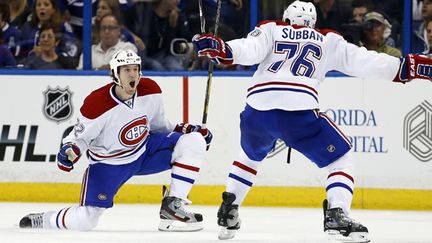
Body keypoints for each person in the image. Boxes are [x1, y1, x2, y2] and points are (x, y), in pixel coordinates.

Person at [192, 0, 432, 242]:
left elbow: (248, 48)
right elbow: (367, 61)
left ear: (287, 18)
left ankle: (229, 211)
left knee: (249, 156)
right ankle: (337, 215)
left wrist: (221, 48)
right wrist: (410, 67)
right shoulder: (327, 39)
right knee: (340, 157)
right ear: (313, 22)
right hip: (298, 111)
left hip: (257, 110)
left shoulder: (271, 28)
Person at [19, 49, 213, 232]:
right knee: (85, 221)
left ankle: (172, 207)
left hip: (144, 151)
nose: (132, 75)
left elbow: (159, 127)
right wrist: (70, 150)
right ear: (115, 74)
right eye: (126, 70)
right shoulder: (97, 103)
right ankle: (44, 219)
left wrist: (187, 129)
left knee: (194, 141)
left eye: (135, 69)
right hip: (108, 164)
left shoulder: (150, 90)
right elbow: (78, 138)